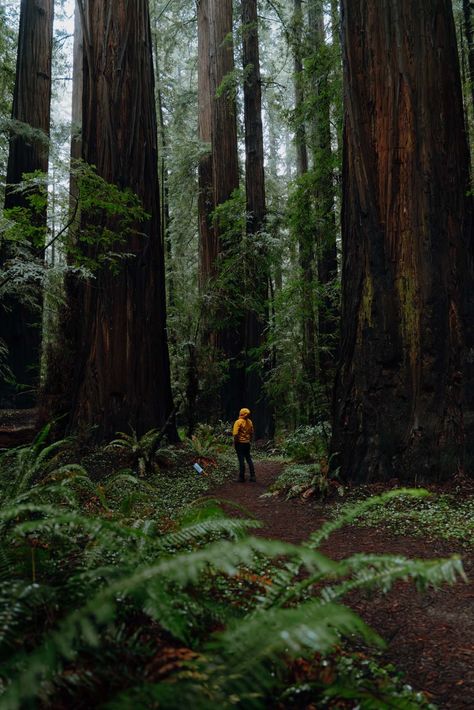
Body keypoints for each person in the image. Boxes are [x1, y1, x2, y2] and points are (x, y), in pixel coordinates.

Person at [232, 407, 256, 482]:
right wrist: (250, 440)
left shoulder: (238, 422)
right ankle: (253, 476)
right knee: (249, 459)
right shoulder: (250, 422)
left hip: (239, 444)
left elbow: (235, 434)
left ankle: (241, 477)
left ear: (241, 413)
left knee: (241, 460)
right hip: (247, 443)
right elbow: (252, 432)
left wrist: (235, 442)